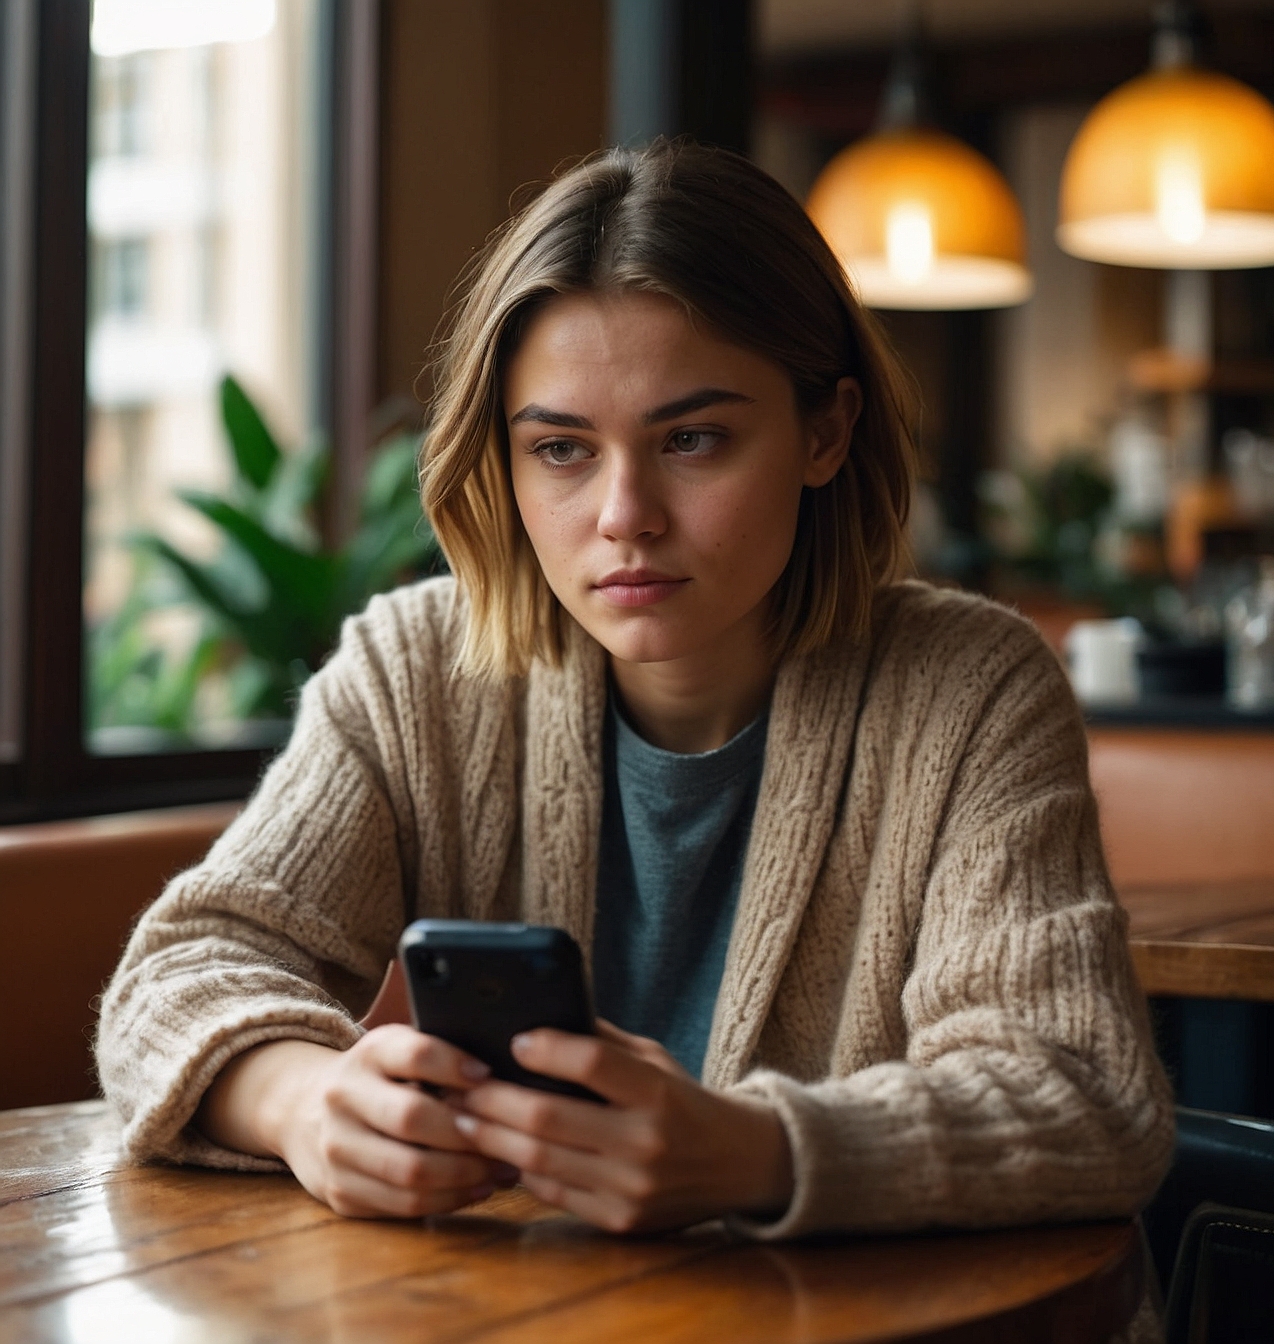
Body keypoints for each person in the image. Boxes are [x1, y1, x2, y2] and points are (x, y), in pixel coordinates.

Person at [96, 141, 1172, 1254]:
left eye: (692, 439)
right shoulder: (415, 672)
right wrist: (304, 1105)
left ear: (825, 431)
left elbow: (1082, 1092)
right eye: (561, 449)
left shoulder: (972, 690)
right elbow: (174, 977)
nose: (625, 515)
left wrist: (758, 1152)